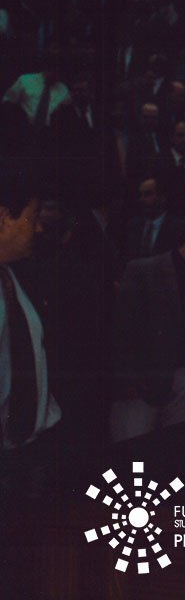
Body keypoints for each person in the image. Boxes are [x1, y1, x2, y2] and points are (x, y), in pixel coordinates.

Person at [109, 211, 185, 442]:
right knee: (133, 454)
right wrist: (128, 380)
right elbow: (121, 330)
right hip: (143, 381)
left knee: (176, 452)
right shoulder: (143, 271)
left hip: (184, 380)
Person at [0, 168, 61, 450]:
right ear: (3, 218)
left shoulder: (11, 277)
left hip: (22, 446)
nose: (39, 228)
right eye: (33, 217)